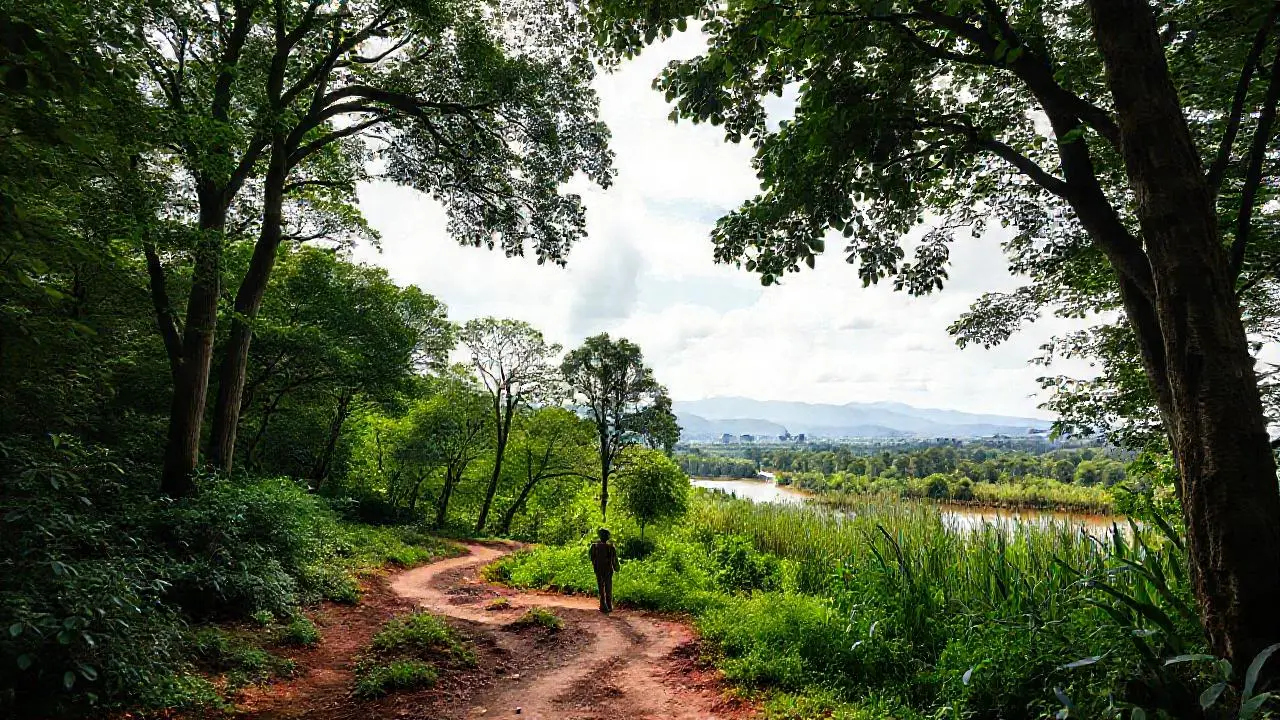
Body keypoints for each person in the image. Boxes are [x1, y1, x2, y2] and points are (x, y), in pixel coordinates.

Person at [588, 528, 620, 613]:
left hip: (598, 569)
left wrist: (595, 565)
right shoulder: (610, 547)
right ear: (608, 537)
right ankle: (609, 605)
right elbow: (614, 559)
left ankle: (603, 604)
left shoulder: (594, 546)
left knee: (601, 587)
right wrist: (616, 568)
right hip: (608, 570)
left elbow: (591, 557)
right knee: (608, 587)